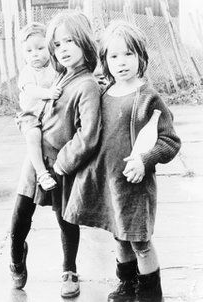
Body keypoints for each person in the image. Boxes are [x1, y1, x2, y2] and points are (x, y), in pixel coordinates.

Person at [64, 20, 181, 302]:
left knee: (139, 240)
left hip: (135, 186)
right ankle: (127, 286)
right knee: (118, 235)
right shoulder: (102, 93)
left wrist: (145, 159)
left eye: (128, 54)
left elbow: (169, 141)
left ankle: (151, 293)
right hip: (108, 183)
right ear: (104, 60)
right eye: (113, 56)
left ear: (141, 56)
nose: (121, 62)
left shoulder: (148, 98)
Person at [9, 11, 101, 299]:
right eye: (57, 44)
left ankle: (69, 269)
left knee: (66, 220)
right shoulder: (61, 75)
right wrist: (25, 121)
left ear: (85, 43)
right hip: (36, 160)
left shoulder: (85, 84)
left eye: (69, 41)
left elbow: (88, 135)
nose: (61, 49)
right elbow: (35, 107)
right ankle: (15, 255)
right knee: (20, 215)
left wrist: (62, 165)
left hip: (62, 165)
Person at [15, 22, 62, 191]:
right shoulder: (27, 72)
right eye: (29, 51)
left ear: (49, 47)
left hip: (47, 113)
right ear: (23, 54)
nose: (35, 54)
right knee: (34, 136)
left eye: (40, 48)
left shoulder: (54, 67)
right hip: (30, 115)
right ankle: (42, 174)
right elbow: (31, 89)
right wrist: (48, 93)